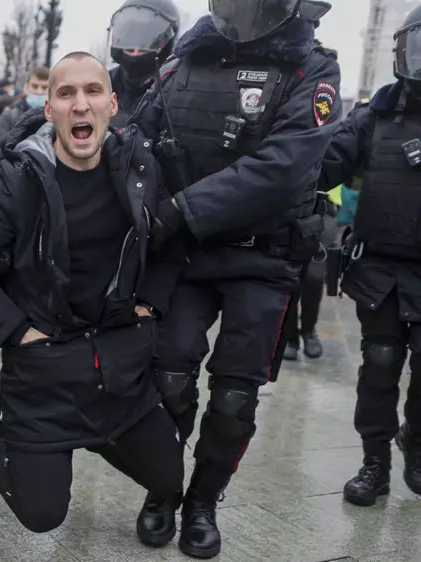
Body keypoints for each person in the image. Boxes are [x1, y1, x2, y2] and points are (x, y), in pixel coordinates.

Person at [0, 51, 184, 537]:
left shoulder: (140, 167)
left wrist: (149, 303)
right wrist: (15, 331)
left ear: (112, 104)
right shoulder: (15, 178)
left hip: (118, 368)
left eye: (92, 91)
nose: (80, 104)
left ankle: (96, 437)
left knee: (170, 479)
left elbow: (171, 241)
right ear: (48, 108)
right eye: (65, 93)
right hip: (43, 374)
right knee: (42, 517)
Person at [129, 0, 341, 558]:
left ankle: (203, 501)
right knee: (168, 379)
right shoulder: (185, 58)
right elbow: (140, 139)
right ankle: (163, 490)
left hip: (262, 260)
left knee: (232, 399)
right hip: (188, 257)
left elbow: (283, 165)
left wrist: (180, 208)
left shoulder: (311, 68)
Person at [318, 4, 421, 508]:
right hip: (380, 267)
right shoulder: (374, 116)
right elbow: (326, 164)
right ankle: (375, 462)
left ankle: (416, 443)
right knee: (379, 364)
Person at [283, 193, 339, 360]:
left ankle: (308, 330)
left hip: (324, 208)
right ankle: (289, 336)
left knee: (313, 280)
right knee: (288, 279)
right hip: (290, 208)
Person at [107, 0, 180, 128]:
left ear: (167, 41)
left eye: (147, 41)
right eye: (129, 38)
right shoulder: (104, 84)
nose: (135, 52)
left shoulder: (175, 89)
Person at [0, 66, 50, 142]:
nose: (39, 91)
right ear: (26, 87)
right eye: (34, 86)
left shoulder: (59, 116)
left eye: (44, 87)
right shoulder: (10, 114)